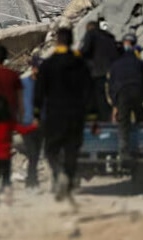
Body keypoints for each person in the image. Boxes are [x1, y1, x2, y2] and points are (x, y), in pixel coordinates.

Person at [36, 28, 92, 204]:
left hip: (54, 114)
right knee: (71, 150)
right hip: (76, 114)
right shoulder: (80, 64)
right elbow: (88, 91)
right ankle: (67, 176)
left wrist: (36, 114)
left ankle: (59, 172)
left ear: (57, 41)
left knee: (51, 150)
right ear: (72, 41)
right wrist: (92, 115)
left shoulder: (47, 65)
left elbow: (39, 93)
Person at [107, 33, 143, 163]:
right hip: (138, 92)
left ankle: (124, 152)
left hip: (123, 94)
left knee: (124, 123)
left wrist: (115, 105)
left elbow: (112, 86)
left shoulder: (116, 65)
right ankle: (142, 148)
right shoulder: (140, 64)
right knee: (140, 120)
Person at [80, 19, 120, 120]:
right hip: (114, 74)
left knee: (101, 100)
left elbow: (85, 50)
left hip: (99, 73)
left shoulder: (91, 34)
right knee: (112, 98)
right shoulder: (110, 37)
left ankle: (105, 121)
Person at [21, 56, 42, 189]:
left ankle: (33, 180)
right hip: (26, 124)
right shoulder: (23, 83)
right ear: (33, 68)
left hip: (40, 124)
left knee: (36, 154)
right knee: (32, 153)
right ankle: (31, 181)